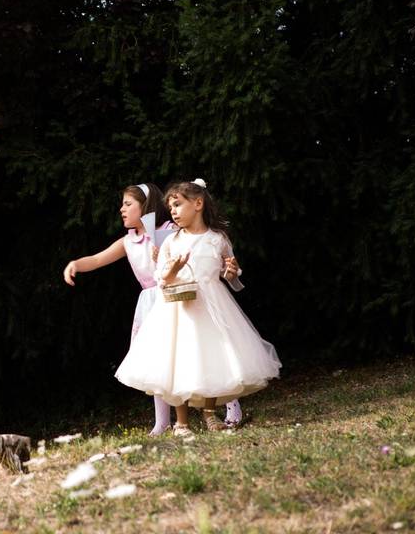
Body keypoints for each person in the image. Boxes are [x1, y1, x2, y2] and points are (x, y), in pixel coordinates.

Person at [115, 179, 280, 435]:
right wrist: (173, 269)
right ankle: (181, 422)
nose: (173, 211)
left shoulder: (218, 239)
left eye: (178, 205)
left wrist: (232, 273)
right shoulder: (171, 241)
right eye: (170, 207)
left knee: (211, 359)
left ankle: (211, 414)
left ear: (198, 204)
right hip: (179, 309)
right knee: (178, 361)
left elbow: (232, 278)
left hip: (212, 307)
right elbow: (162, 279)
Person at [62, 183, 178, 435]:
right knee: (156, 359)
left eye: (128, 204)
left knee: (189, 351)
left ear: (145, 207)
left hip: (173, 296)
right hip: (150, 302)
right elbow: (97, 258)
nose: (121, 209)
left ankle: (227, 404)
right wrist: (75, 264)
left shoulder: (168, 230)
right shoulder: (129, 242)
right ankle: (162, 421)